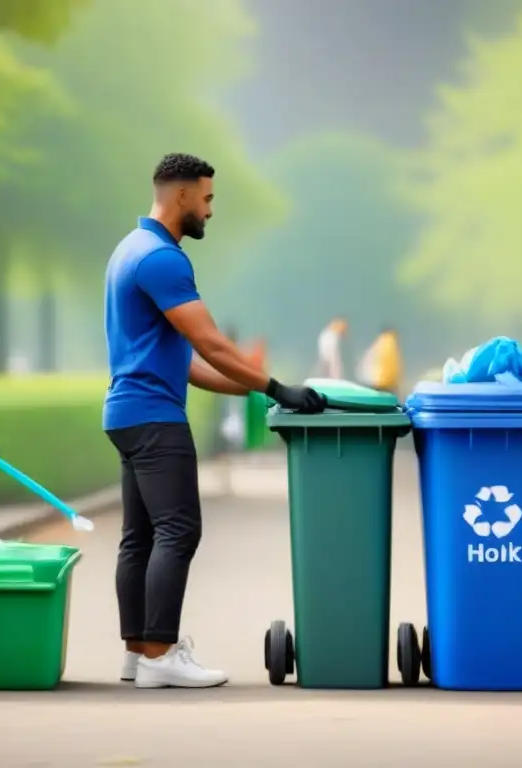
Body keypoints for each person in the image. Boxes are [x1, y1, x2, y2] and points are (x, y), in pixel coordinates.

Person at [103, 153, 325, 690]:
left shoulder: (128, 250)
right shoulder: (161, 258)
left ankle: (138, 652)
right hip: (156, 418)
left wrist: (269, 392)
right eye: (206, 199)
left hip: (127, 413)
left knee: (141, 537)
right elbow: (210, 341)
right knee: (179, 530)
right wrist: (274, 386)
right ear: (180, 196)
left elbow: (193, 365)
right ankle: (161, 653)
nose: (209, 211)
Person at [358, 326, 403, 396]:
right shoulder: (389, 342)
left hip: (375, 381)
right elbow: (391, 366)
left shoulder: (377, 344)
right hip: (385, 383)